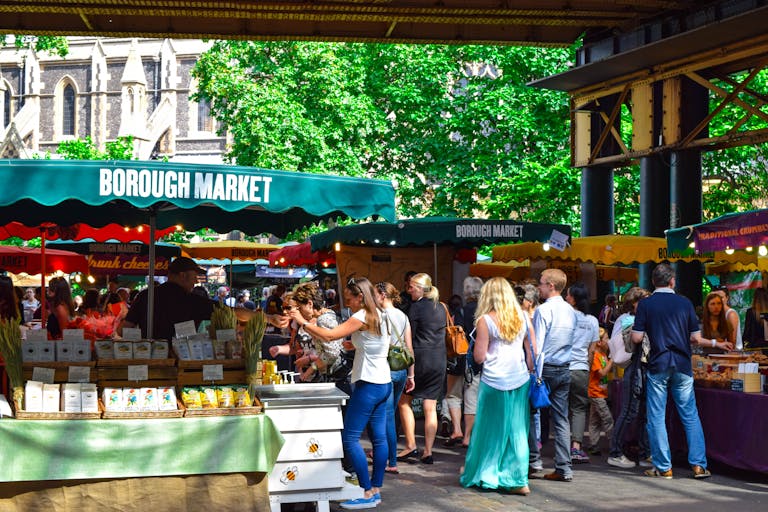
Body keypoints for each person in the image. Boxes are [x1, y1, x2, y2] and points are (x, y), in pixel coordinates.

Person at [288, 277, 391, 510]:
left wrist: (303, 323)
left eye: (350, 298)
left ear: (360, 297)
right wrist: (356, 345)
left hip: (368, 383)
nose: (347, 302)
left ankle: (366, 492)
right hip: (384, 382)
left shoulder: (361, 316)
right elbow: (381, 342)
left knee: (349, 439)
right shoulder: (381, 314)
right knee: (379, 438)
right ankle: (375, 490)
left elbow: (330, 335)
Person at [631, 263, 732, 479]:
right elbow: (695, 338)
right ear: (672, 281)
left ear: (653, 282)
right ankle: (698, 465)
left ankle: (663, 467)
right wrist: (716, 343)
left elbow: (636, 338)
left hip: (658, 364)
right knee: (690, 415)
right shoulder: (685, 303)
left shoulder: (646, 305)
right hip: (683, 365)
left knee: (656, 416)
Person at [459, 277, 536, 495]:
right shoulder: (523, 316)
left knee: (489, 430)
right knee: (517, 430)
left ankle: (487, 474)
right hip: (520, 378)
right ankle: (518, 479)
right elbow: (532, 351)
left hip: (494, 380)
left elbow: (480, 356)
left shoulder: (485, 320)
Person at [528, 268, 577, 482]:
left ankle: (533, 460)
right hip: (564, 367)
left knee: (530, 413)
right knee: (561, 419)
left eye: (540, 282)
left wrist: (533, 374)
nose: (538, 287)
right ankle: (564, 467)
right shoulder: (570, 310)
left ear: (551, 285)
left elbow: (537, 345)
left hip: (545, 368)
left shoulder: (544, 310)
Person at [397, 272, 446, 465]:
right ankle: (428, 450)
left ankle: (410, 445)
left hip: (420, 359)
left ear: (419, 288)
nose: (408, 291)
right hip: (439, 360)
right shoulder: (441, 307)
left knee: (403, 401)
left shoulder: (415, 308)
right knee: (430, 407)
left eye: (411, 287)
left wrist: (410, 370)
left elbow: (409, 338)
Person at [607, 286, 651, 469]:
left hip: (641, 368)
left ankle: (644, 451)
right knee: (630, 411)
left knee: (642, 413)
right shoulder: (627, 319)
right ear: (634, 303)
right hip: (634, 368)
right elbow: (632, 341)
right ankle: (615, 452)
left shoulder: (627, 319)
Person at [374, 281, 415, 475]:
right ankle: (387, 456)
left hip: (386, 369)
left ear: (382, 295)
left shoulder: (380, 316)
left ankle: (391, 460)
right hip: (401, 370)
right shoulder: (403, 316)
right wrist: (412, 374)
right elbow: (409, 347)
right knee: (391, 413)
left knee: (388, 415)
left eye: (375, 294)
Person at [119, 257, 214, 340]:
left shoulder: (146, 296)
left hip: (149, 354)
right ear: (183, 275)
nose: (196, 281)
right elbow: (224, 311)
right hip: (183, 356)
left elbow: (123, 330)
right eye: (195, 276)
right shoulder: (194, 301)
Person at [565, 282, 599, 464]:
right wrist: (586, 365)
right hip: (581, 369)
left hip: (562, 367)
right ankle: (576, 447)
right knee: (579, 409)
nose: (565, 298)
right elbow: (592, 350)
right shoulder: (592, 321)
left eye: (568, 295)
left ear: (574, 298)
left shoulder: (565, 316)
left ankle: (561, 448)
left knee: (561, 408)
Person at [460, 275, 484, 448]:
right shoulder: (487, 310)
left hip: (469, 358)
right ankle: (481, 434)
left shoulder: (463, 310)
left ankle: (467, 436)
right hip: (487, 358)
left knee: (470, 396)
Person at [442, 293, 466, 446]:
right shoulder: (482, 313)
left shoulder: (457, 314)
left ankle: (453, 425)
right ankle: (470, 434)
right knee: (472, 397)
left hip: (457, 358)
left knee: (452, 394)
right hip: (474, 362)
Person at [586, 327, 614, 455]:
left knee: (595, 420)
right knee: (607, 418)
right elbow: (602, 373)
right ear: (599, 342)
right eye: (607, 338)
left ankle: (593, 444)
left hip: (600, 393)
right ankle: (614, 444)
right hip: (596, 393)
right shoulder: (596, 356)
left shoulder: (603, 355)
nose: (609, 341)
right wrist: (612, 360)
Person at [714, 287, 742, 351]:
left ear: (727, 298)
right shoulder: (717, 314)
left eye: (721, 297)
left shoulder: (731, 314)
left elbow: (732, 342)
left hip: (732, 354)